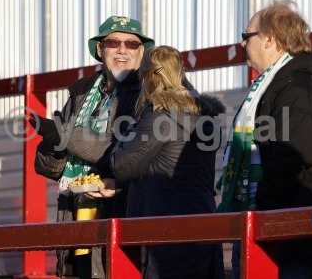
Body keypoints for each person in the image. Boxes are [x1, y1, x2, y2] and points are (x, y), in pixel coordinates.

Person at [68, 46, 225, 279]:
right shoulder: (204, 117)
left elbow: (120, 163)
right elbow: (169, 165)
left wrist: (130, 127)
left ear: (148, 77)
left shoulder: (159, 117)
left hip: (163, 231)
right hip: (202, 223)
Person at [219, 0, 312, 278]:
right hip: (287, 232)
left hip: (305, 237)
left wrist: (260, 202)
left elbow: (298, 153)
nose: (242, 45)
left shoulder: (300, 86)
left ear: (269, 39)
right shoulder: (278, 84)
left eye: (246, 37)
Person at [32, 15, 154, 278]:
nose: (122, 50)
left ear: (141, 51)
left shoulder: (148, 94)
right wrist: (54, 142)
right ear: (100, 49)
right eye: (113, 43)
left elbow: (129, 153)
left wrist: (64, 134)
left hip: (121, 213)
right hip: (73, 211)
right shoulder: (80, 93)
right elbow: (47, 168)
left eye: (132, 44)